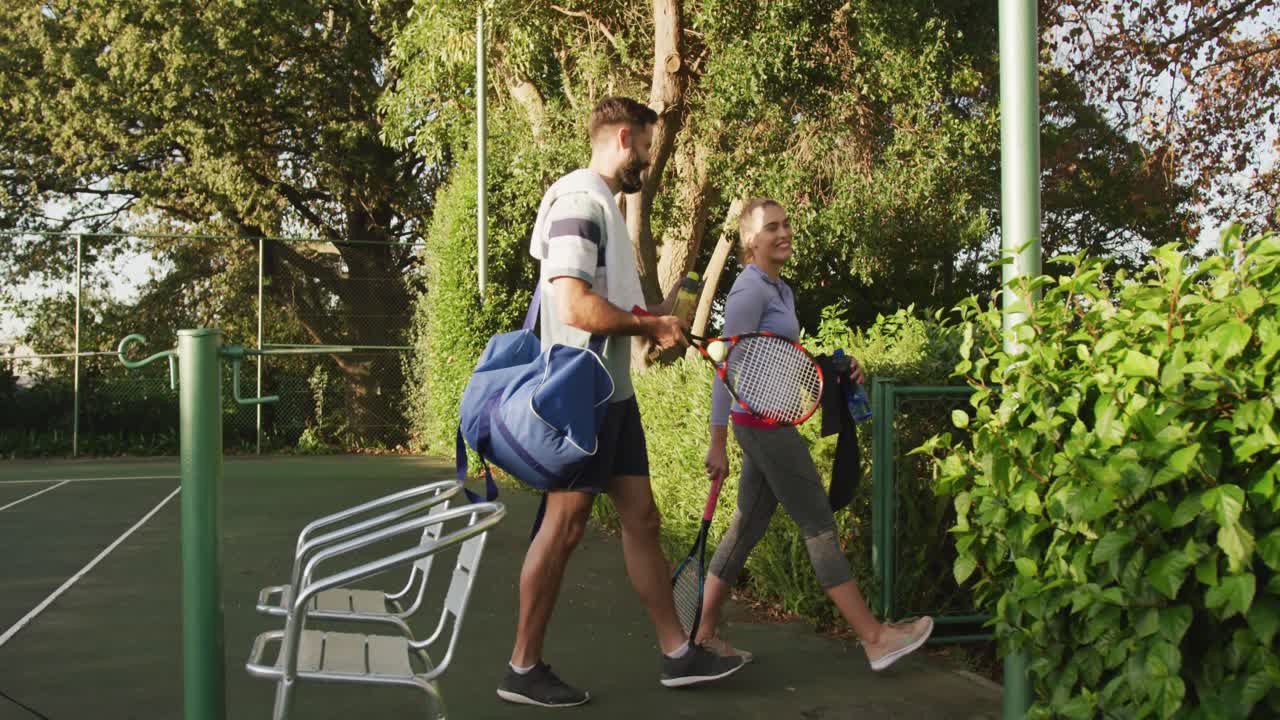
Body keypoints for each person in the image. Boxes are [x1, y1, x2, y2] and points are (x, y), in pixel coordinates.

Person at [498, 96, 747, 708]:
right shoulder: (581, 201)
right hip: (579, 397)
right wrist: (647, 330)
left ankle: (676, 653)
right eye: (645, 144)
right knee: (564, 526)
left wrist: (661, 318)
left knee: (642, 519)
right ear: (620, 137)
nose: (647, 158)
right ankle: (522, 666)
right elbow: (574, 307)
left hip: (613, 397)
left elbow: (610, 305)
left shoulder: (605, 206)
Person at [698, 197, 934, 670]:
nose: (783, 233)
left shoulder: (779, 289)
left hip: (771, 422)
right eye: (771, 227)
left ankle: (701, 634)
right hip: (762, 426)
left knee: (746, 527)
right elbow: (725, 364)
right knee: (818, 524)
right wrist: (717, 440)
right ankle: (874, 638)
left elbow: (778, 358)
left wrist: (836, 368)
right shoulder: (749, 292)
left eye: (786, 224)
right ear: (751, 239)